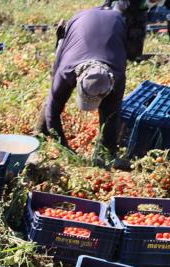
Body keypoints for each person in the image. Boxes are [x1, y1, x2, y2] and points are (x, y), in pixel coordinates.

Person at [33, 2, 159, 168]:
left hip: (114, 22)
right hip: (78, 22)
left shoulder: (117, 76)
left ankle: (106, 152)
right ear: (78, 82)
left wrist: (108, 153)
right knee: (54, 95)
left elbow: (112, 115)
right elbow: (53, 113)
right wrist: (65, 148)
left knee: (111, 109)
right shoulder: (66, 71)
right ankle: (39, 131)